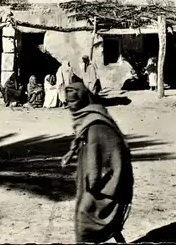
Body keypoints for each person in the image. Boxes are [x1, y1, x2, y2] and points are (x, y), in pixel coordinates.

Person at [61, 82, 133, 243]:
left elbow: (97, 151)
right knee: (98, 214)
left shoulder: (95, 122)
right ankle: (119, 239)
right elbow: (81, 136)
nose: (70, 105)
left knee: (84, 214)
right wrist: (71, 152)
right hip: (92, 170)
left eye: (73, 102)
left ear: (82, 99)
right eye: (68, 102)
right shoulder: (87, 115)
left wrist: (93, 180)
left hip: (102, 176)